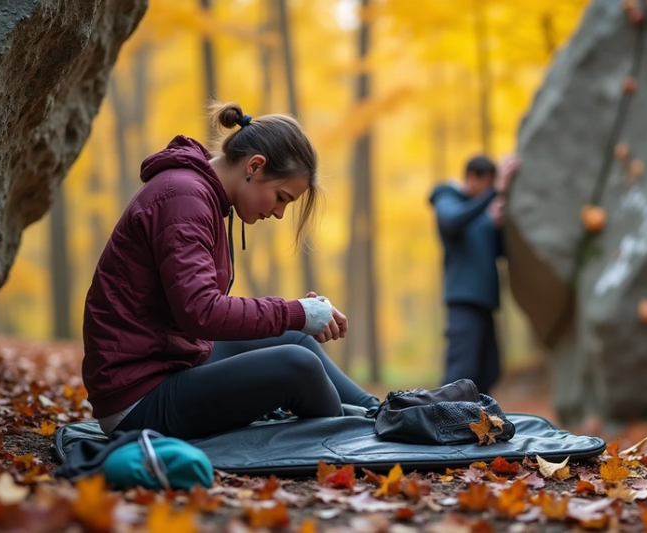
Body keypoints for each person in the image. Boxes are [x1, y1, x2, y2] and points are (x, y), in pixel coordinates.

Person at [82, 102, 380, 440]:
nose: (280, 213)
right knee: (298, 365)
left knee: (294, 338)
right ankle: (353, 435)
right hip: (137, 400)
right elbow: (202, 311)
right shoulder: (183, 198)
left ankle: (378, 411)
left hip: (169, 363)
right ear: (255, 166)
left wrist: (298, 317)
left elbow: (196, 311)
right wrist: (294, 311)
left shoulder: (197, 195)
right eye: (281, 197)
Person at [429, 154, 521, 395]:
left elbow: (499, 252)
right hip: (463, 301)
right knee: (460, 373)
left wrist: (497, 225)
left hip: (485, 302)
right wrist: (493, 194)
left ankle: (477, 427)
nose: (491, 191)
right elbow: (452, 221)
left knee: (489, 370)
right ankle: (443, 425)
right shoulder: (446, 196)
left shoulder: (482, 213)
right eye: (488, 185)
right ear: (472, 178)